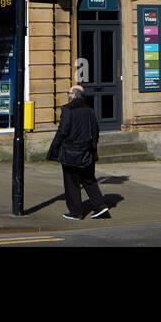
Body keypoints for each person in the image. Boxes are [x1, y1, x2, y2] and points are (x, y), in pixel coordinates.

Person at [46, 84, 108, 220]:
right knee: (89, 180)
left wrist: (54, 147)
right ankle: (101, 207)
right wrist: (92, 146)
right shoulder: (89, 110)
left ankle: (76, 212)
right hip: (87, 152)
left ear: (74, 95)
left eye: (69, 93)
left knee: (71, 183)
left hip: (71, 152)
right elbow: (95, 131)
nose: (68, 95)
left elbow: (62, 131)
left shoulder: (68, 110)